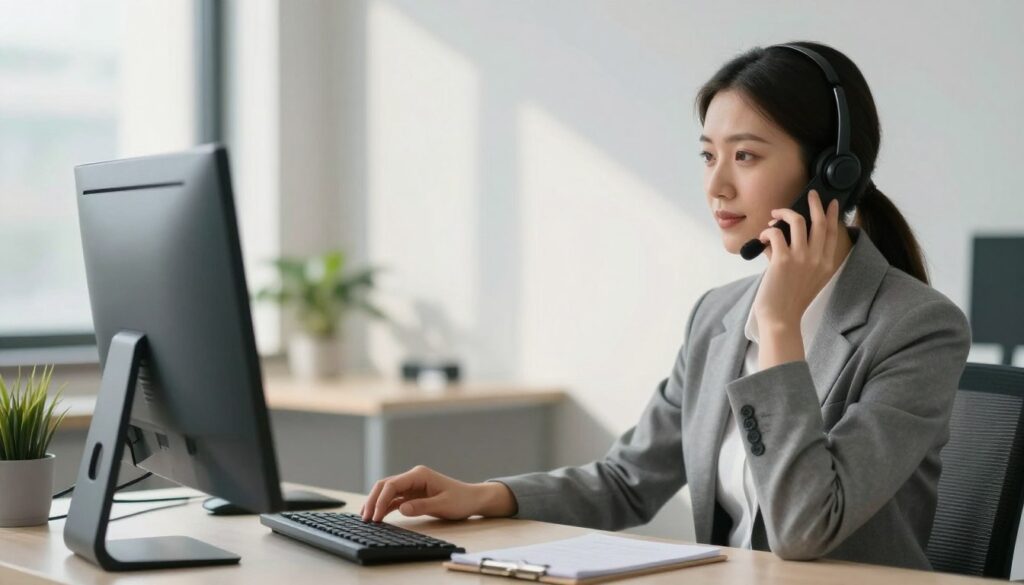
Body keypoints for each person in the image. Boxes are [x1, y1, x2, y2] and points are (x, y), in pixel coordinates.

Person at [359, 41, 971, 570]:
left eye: (745, 155)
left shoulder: (918, 328)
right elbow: (627, 481)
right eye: (708, 155)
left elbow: (805, 529)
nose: (716, 185)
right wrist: (483, 496)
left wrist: (779, 325)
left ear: (832, 173)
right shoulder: (717, 317)